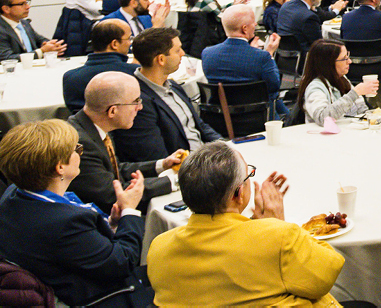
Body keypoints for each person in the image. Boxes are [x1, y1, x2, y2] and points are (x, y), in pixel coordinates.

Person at [147, 142, 346, 306]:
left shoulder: (158, 248)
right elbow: (325, 274)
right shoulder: (278, 238)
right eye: (248, 175)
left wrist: (257, 226)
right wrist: (275, 224)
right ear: (238, 193)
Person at [0, 120, 154, 307]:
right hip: (105, 296)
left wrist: (112, 223)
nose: (80, 153)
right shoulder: (65, 223)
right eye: (76, 149)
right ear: (60, 168)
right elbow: (122, 262)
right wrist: (130, 210)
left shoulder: (13, 194)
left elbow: (77, 248)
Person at [67, 72, 180, 211]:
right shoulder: (81, 145)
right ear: (112, 111)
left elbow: (115, 170)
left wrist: (162, 165)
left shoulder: (92, 126)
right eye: (136, 102)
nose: (140, 107)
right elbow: (112, 196)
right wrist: (176, 181)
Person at [111, 27, 223, 163]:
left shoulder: (173, 85)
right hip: (187, 169)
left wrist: (223, 145)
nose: (182, 53)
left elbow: (197, 124)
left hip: (206, 157)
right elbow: (156, 158)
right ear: (161, 60)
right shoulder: (137, 103)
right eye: (177, 50)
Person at [201, 4, 284, 116]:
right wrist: (269, 53)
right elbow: (274, 85)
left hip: (220, 119)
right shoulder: (262, 57)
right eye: (253, 22)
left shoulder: (207, 54)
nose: (255, 24)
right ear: (244, 29)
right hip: (257, 118)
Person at [63, 20, 139, 113]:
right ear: (114, 44)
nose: (130, 43)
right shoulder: (133, 73)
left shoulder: (70, 78)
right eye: (129, 38)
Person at [296, 38, 378, 124]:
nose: (349, 61)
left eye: (348, 56)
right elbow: (322, 118)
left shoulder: (341, 78)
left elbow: (361, 108)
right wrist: (355, 93)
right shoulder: (315, 87)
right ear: (328, 63)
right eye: (344, 59)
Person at [0, 0, 65, 61]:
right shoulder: (1, 29)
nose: (28, 7)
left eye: (26, 2)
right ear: (6, 9)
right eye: (22, 4)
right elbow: (7, 58)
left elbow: (39, 39)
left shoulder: (23, 23)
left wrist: (51, 45)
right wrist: (41, 51)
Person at [277, 0, 341, 50]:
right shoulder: (309, 17)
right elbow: (319, 45)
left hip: (284, 56)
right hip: (306, 57)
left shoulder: (285, 6)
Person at [102, 0, 169, 37]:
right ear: (133, 3)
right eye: (146, 0)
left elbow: (161, 43)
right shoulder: (110, 23)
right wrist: (155, 28)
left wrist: (161, 20)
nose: (149, 3)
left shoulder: (147, 19)